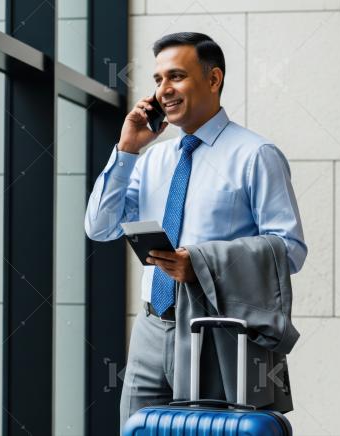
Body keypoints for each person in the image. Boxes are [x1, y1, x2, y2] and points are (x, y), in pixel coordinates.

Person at [83, 32, 307, 429]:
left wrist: (203, 263)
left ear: (214, 79)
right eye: (157, 80)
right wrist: (126, 149)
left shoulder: (255, 155)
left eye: (176, 76)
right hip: (151, 330)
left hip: (218, 332)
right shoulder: (151, 158)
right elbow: (99, 227)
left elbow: (289, 249)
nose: (163, 90)